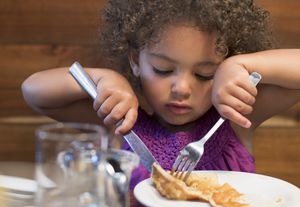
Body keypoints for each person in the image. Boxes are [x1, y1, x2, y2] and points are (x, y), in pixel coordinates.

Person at [22, 0, 300, 188]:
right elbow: (33, 90)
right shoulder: (120, 124)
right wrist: (102, 79)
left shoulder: (235, 121)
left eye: (205, 74)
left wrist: (242, 65)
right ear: (135, 61)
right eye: (163, 69)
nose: (181, 88)